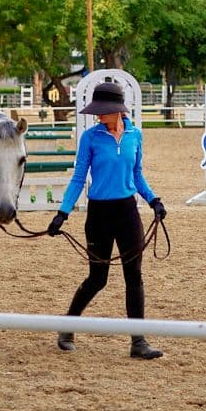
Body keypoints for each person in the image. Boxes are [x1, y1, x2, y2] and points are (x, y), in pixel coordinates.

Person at [47, 81, 168, 359]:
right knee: (97, 278)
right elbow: (79, 178)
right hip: (99, 214)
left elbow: (137, 174)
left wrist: (154, 200)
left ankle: (138, 342)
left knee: (133, 276)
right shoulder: (90, 138)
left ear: (117, 110)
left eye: (102, 110)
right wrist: (62, 213)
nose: (98, 115)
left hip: (128, 213)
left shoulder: (135, 135)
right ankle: (67, 327)